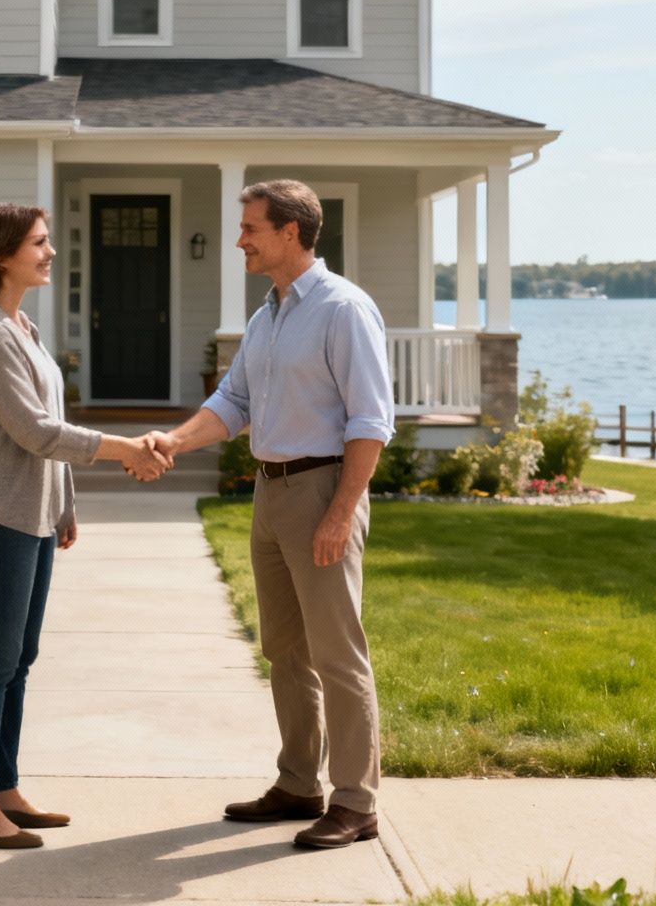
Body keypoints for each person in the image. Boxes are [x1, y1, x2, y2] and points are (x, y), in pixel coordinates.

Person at [144, 180, 394, 850]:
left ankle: (355, 803)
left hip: (321, 490)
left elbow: (371, 421)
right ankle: (298, 784)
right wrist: (172, 440)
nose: (239, 240)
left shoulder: (344, 309)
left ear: (290, 231)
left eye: (251, 228)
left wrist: (341, 511)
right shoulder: (267, 317)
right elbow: (232, 402)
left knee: (337, 653)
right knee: (284, 649)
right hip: (269, 491)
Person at [0, 203, 171, 849]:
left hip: (34, 513)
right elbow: (34, 431)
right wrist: (127, 449)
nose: (49, 253)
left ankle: (3, 788)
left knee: (18, 660)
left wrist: (65, 505)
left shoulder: (23, 327)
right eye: (39, 244)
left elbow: (48, 420)